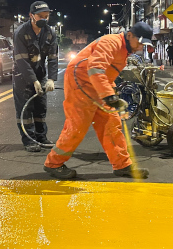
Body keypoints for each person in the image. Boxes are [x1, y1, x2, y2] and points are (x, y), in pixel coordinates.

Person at [43, 22, 154, 180]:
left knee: (111, 123)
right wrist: (109, 95)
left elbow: (106, 72)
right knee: (78, 125)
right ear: (129, 36)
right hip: (80, 80)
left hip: (95, 83)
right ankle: (53, 164)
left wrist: (110, 91)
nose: (140, 47)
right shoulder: (111, 42)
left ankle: (122, 165)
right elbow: (95, 67)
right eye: (140, 43)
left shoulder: (124, 49)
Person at [12, 1, 59, 152]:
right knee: (25, 110)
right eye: (40, 16)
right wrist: (33, 81)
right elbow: (22, 61)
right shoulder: (21, 32)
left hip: (41, 73)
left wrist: (51, 78)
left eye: (46, 16)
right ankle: (28, 140)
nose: (44, 19)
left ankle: (41, 137)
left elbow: (53, 57)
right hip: (22, 75)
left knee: (40, 107)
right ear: (31, 16)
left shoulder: (50, 32)